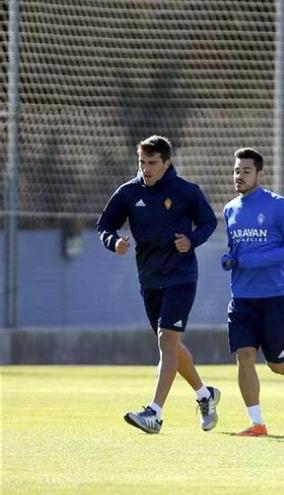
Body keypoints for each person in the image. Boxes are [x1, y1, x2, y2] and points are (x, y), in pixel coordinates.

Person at [97, 135, 220, 434]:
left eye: (153, 163)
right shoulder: (128, 192)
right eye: (142, 162)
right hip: (149, 279)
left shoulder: (186, 191)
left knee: (166, 340)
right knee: (171, 345)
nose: (147, 169)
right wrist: (114, 243)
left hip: (181, 277)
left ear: (167, 163)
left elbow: (209, 223)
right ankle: (206, 395)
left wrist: (191, 241)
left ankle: (155, 413)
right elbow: (105, 225)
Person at [221, 147, 284, 437]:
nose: (239, 176)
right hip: (241, 298)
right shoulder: (230, 209)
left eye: (246, 171)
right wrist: (230, 258)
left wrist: (258, 259)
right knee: (244, 355)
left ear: (259, 174)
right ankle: (257, 423)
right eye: (236, 170)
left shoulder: (278, 206)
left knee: (278, 364)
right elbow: (236, 249)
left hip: (275, 297)